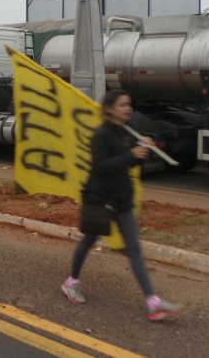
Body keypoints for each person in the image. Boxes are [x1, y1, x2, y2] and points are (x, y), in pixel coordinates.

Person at [61, 89, 183, 322]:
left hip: (121, 201)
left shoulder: (127, 132)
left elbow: (128, 162)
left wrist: (143, 149)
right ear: (109, 109)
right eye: (122, 105)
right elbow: (101, 166)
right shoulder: (101, 134)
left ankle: (153, 303)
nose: (128, 109)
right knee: (88, 240)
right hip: (101, 198)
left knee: (134, 249)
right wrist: (131, 154)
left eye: (129, 104)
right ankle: (71, 282)